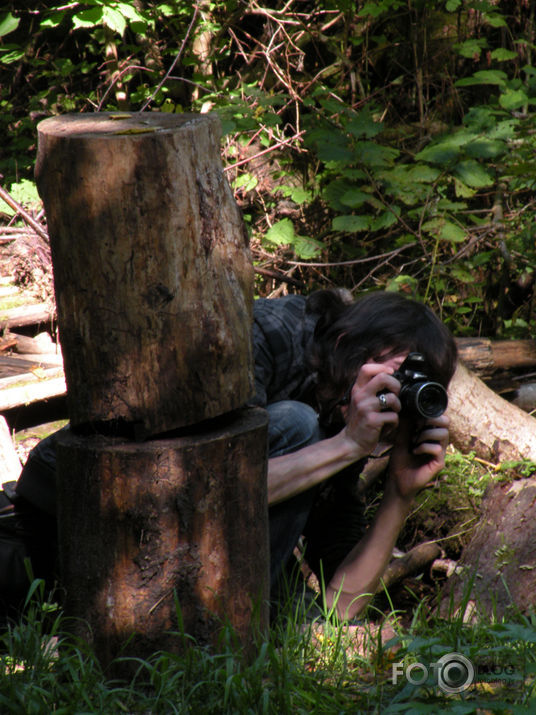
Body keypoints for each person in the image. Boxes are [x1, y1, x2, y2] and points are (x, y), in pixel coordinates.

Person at [3, 289, 457, 624]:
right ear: (344, 346)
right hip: (75, 497)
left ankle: (218, 624)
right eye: (397, 376)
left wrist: (400, 494)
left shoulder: (350, 413)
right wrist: (345, 446)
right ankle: (224, 625)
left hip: (141, 557)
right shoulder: (262, 336)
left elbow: (342, 607)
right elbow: (194, 488)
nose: (397, 397)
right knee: (298, 424)